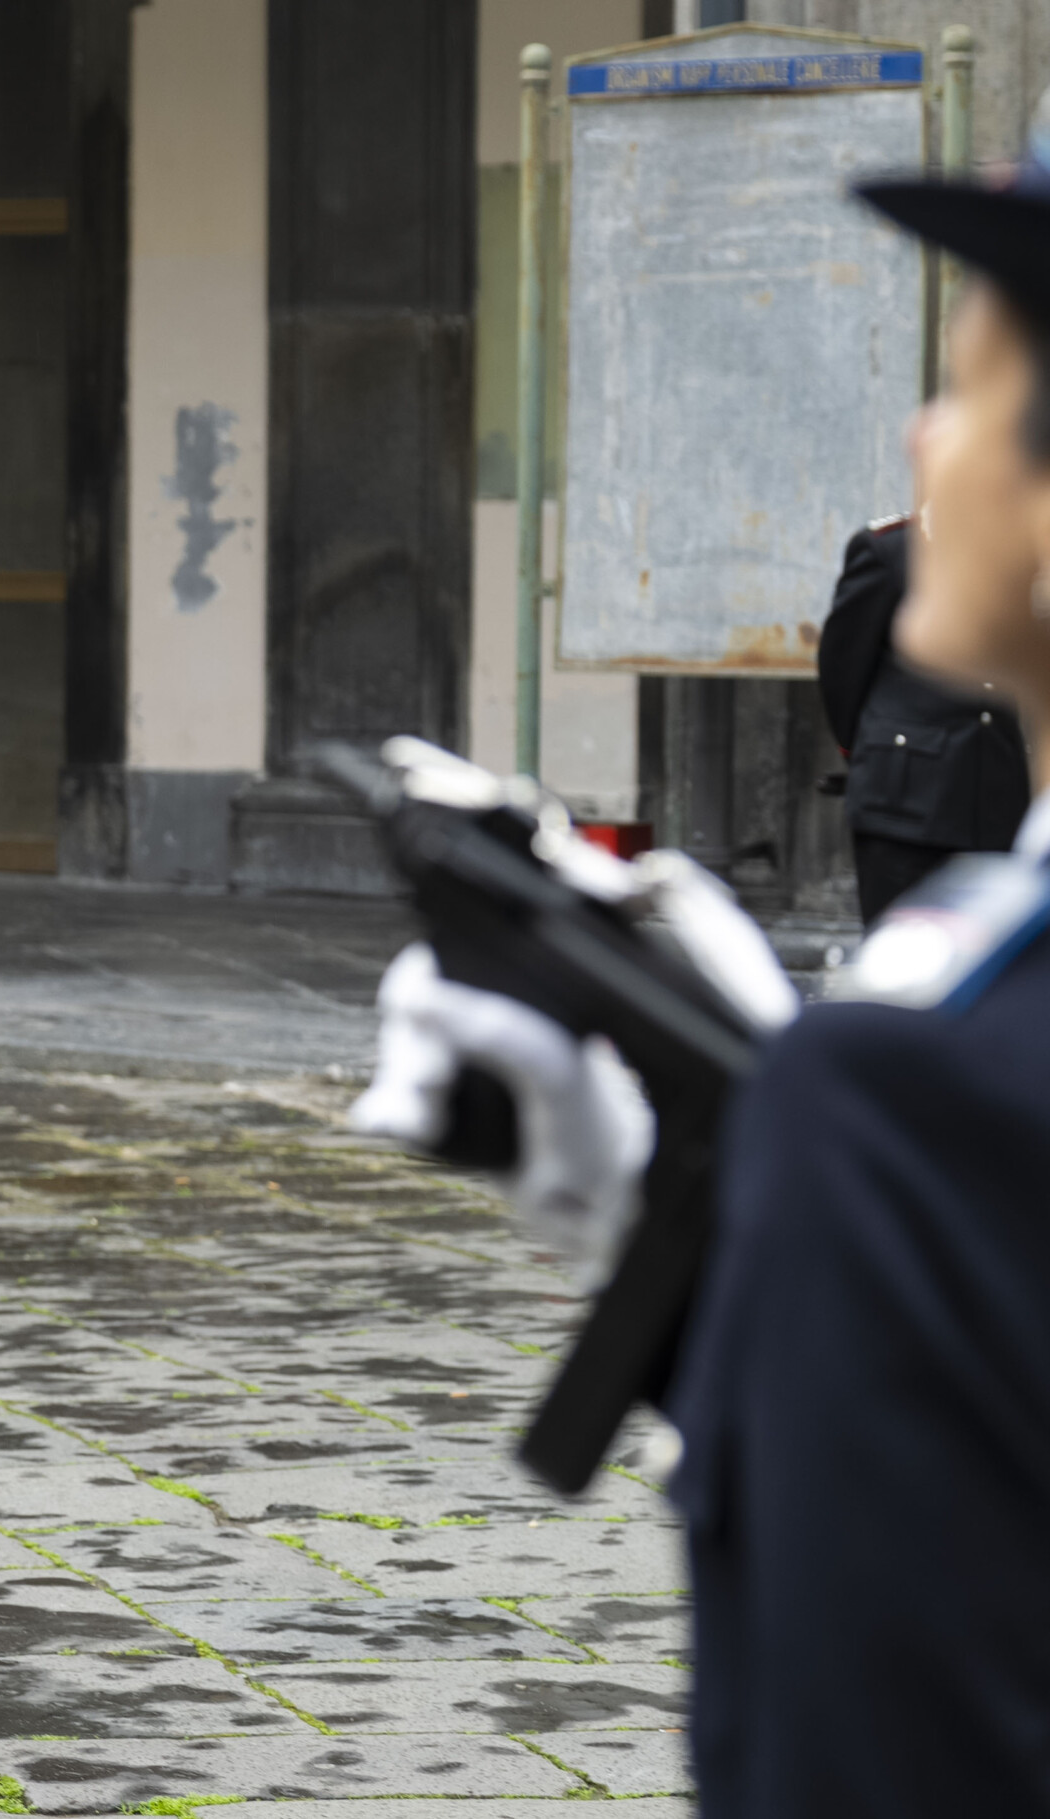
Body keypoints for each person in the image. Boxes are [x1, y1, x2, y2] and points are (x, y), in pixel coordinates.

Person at [355, 143, 1050, 1813]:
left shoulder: (919, 1092)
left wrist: (819, 1182)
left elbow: (861, 1724)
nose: (924, 438)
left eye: (972, 387)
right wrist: (761, 1250)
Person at [814, 509, 1029, 920]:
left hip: (997, 798)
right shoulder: (891, 549)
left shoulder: (1020, 547)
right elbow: (843, 668)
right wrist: (870, 753)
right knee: (900, 942)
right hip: (904, 800)